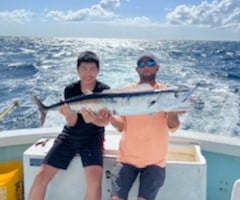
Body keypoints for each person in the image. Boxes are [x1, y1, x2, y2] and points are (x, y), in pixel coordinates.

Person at [28, 51, 110, 200]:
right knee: (41, 175)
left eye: (92, 69)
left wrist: (92, 120)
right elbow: (72, 123)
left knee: (94, 184)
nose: (88, 73)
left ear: (98, 70)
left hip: (93, 139)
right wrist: (68, 115)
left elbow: (105, 122)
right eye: (84, 69)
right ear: (78, 70)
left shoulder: (104, 91)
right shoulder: (70, 90)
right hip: (70, 136)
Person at [109, 53, 181, 200]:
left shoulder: (166, 93)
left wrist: (173, 109)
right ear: (137, 70)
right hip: (126, 160)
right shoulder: (127, 92)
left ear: (157, 67)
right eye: (141, 64)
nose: (146, 67)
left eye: (150, 63)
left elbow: (173, 126)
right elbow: (121, 126)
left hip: (155, 162)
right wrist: (109, 117)